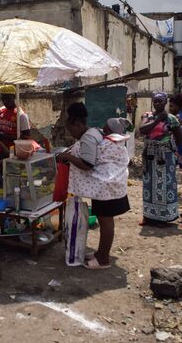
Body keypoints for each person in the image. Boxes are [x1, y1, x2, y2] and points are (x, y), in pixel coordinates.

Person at [57, 103, 130, 269]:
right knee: (104, 219)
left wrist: (67, 157)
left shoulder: (88, 138)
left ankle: (103, 259)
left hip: (105, 184)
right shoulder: (94, 131)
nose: (71, 133)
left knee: (105, 221)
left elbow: (87, 164)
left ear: (78, 124)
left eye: (71, 129)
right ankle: (100, 253)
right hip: (105, 186)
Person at [139, 92, 182, 226]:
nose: (157, 103)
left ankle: (162, 217)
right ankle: (148, 216)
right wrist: (158, 120)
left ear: (165, 102)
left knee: (164, 184)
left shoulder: (172, 119)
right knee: (149, 184)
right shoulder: (147, 116)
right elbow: (142, 130)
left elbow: (180, 137)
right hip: (149, 154)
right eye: (155, 101)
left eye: (160, 101)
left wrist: (172, 149)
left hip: (165, 155)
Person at [168, 94, 182, 168]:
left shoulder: (178, 117)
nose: (170, 108)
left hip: (179, 147)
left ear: (178, 106)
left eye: (171, 106)